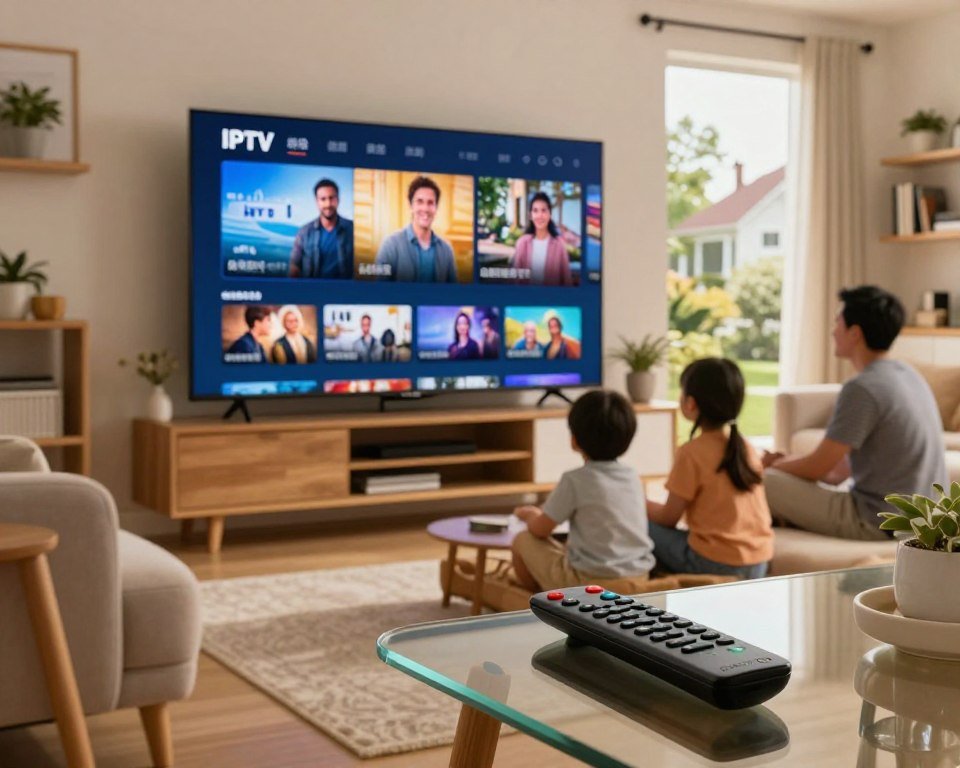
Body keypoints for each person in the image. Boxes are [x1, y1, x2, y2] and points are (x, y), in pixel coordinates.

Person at [762, 286, 947, 541]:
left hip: (879, 520)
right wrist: (788, 465)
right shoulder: (909, 375)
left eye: (837, 322)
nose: (832, 330)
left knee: (765, 482)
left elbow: (818, 468)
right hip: (926, 520)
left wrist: (774, 465)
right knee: (778, 476)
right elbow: (837, 472)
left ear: (854, 333)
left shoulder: (862, 388)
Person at [511, 389, 655, 592]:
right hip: (639, 577)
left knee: (522, 540)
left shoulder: (574, 480)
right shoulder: (632, 476)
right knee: (566, 547)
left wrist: (530, 515)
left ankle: (535, 595)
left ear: (574, 440)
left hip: (587, 583)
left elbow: (541, 529)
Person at [646, 358, 773, 579]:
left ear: (691, 403)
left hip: (714, 563)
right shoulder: (746, 447)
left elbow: (668, 518)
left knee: (640, 524)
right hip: (759, 562)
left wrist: (638, 501)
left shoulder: (691, 452)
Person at [374, 177, 458, 282]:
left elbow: (453, 293)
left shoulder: (446, 250)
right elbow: (380, 292)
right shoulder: (390, 245)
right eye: (419, 201)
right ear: (411, 206)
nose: (425, 208)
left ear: (436, 208)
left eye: (430, 203)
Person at [289, 179, 354, 279]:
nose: (328, 204)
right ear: (317, 202)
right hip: (312, 292)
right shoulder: (304, 232)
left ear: (338, 199)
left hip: (346, 292)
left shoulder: (353, 229)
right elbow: (294, 266)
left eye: (331, 198)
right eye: (323, 199)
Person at [510, 192, 573, 286]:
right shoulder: (523, 243)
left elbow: (567, 281)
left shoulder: (559, 245)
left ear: (550, 214)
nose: (539, 215)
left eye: (544, 210)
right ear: (530, 215)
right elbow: (515, 279)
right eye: (535, 210)